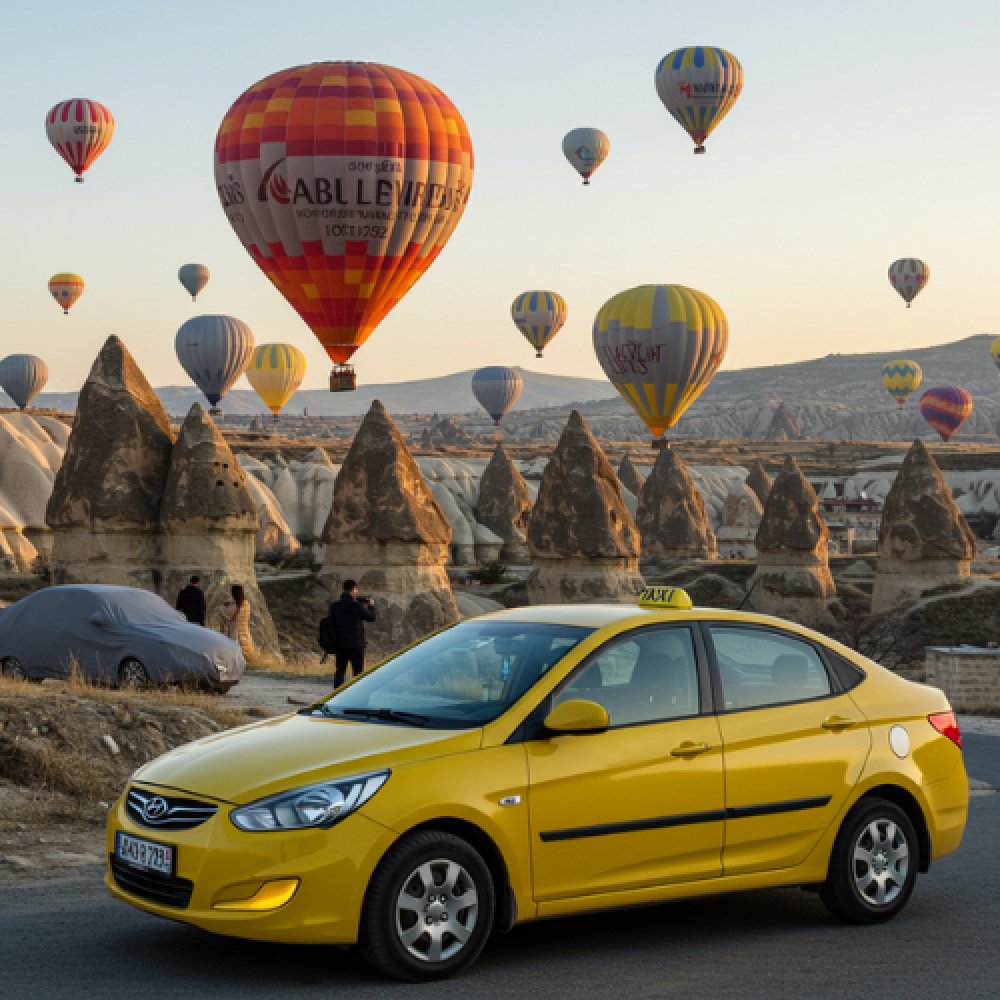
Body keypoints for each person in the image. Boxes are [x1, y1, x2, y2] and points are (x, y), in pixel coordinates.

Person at [328, 579, 376, 687]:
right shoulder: (357, 606)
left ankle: (336, 695)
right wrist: (371, 606)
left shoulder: (335, 606)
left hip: (340, 644)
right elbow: (371, 618)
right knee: (358, 674)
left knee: (340, 671)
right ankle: (356, 696)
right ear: (353, 589)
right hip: (356, 645)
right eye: (356, 589)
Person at [219, 583, 254, 658]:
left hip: (235, 634)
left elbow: (225, 615)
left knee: (236, 657)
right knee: (248, 655)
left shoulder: (234, 606)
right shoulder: (246, 603)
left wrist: (223, 606)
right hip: (245, 633)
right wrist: (230, 603)